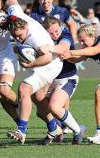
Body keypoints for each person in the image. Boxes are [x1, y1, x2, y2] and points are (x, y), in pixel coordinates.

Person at [0, 0, 63, 144]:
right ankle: (54, 128)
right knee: (38, 99)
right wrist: (5, 8)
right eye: (15, 37)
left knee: (24, 89)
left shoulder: (36, 38)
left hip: (50, 64)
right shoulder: (17, 18)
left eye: (20, 36)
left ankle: (21, 131)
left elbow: (47, 58)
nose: (18, 39)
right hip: (41, 63)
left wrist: (30, 64)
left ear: (26, 27)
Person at [36, 17, 86, 145]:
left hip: (67, 78)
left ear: (61, 27)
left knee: (54, 107)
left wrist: (49, 48)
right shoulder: (41, 39)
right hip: (49, 80)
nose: (55, 35)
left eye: (56, 31)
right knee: (41, 110)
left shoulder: (65, 35)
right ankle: (58, 130)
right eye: (51, 33)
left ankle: (77, 130)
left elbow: (63, 47)